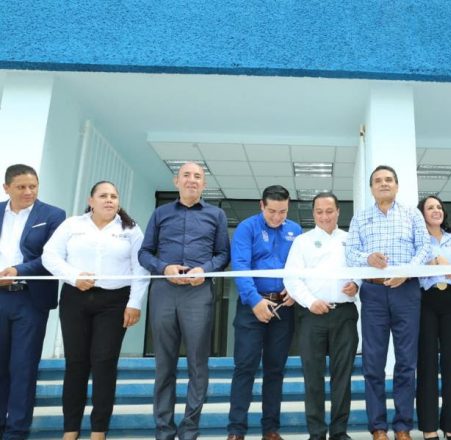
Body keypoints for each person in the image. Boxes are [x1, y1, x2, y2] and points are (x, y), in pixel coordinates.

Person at [42, 180, 150, 440]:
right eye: (103, 196)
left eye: (114, 196)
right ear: (91, 201)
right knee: (76, 363)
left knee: (104, 363)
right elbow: (49, 255)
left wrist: (134, 303)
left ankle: (99, 429)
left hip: (114, 302)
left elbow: (140, 268)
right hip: (75, 298)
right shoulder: (72, 225)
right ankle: (71, 428)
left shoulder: (131, 229)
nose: (109, 200)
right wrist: (73, 276)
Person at [138, 162, 230, 440]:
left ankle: (189, 429)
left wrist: (206, 269)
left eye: (198, 176)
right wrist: (163, 267)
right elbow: (144, 253)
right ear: (176, 181)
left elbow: (223, 255)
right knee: (164, 365)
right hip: (164, 292)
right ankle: (164, 430)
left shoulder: (216, 215)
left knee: (197, 365)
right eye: (186, 175)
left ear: (204, 184)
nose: (192, 180)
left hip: (198, 294)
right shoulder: (160, 213)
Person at [345, 165, 432, 440]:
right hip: (373, 294)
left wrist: (407, 270)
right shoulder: (360, 218)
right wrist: (367, 259)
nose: (384, 184)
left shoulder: (412, 214)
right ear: (371, 188)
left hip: (406, 292)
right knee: (373, 363)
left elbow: (425, 247)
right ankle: (378, 427)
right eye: (378, 181)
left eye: (389, 180)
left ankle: (403, 427)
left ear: (397, 185)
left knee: (406, 362)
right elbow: (350, 253)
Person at [227, 185, 302, 440]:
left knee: (275, 370)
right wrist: (254, 300)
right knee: (245, 367)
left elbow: (301, 267)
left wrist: (295, 291)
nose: (277, 217)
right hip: (252, 307)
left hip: (283, 308)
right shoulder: (246, 228)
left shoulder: (295, 230)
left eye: (283, 212)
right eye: (272, 211)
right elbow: (240, 266)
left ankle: (270, 429)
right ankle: (236, 430)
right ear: (261, 205)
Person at [283, 192, 358, 440]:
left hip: (344, 314)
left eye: (329, 211)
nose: (324, 216)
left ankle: (339, 432)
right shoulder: (302, 242)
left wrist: (357, 285)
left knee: (342, 376)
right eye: (319, 212)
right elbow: (292, 278)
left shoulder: (351, 239)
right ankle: (316, 433)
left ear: (338, 212)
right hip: (311, 315)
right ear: (313, 213)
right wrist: (310, 301)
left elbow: (362, 270)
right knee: (313, 377)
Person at [0, 164, 65, 440]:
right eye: (21, 187)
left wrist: (18, 270)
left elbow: (52, 257)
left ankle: (16, 430)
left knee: (23, 366)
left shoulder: (53, 215)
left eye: (33, 186)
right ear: (6, 188)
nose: (29, 192)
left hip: (29, 299)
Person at [416, 195, 451, 440]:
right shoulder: (417, 240)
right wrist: (436, 261)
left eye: (439, 207)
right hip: (425, 301)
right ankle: (429, 428)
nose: (436, 210)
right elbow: (413, 268)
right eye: (430, 207)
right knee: (427, 364)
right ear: (422, 214)